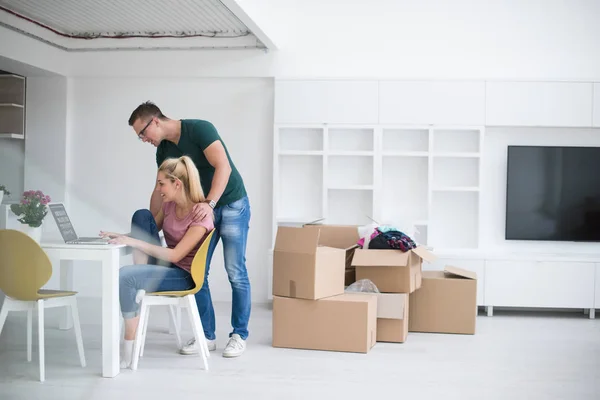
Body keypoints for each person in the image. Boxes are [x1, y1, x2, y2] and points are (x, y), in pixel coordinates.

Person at [127, 101, 251, 358]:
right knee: (197, 271)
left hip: (230, 203)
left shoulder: (199, 129)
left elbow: (223, 166)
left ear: (156, 122)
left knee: (235, 271)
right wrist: (151, 224)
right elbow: (160, 189)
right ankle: (207, 336)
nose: (142, 139)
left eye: (142, 133)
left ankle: (239, 335)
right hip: (202, 207)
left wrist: (210, 204)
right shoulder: (163, 150)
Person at [100, 156, 214, 369]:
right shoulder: (170, 206)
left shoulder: (200, 217)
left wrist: (132, 241)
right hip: (165, 266)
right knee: (142, 215)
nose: (158, 189)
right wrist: (121, 236)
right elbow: (149, 233)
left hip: (183, 276)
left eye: (161, 183)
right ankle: (139, 276)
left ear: (177, 184)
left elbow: (175, 256)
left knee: (126, 276)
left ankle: (128, 350)